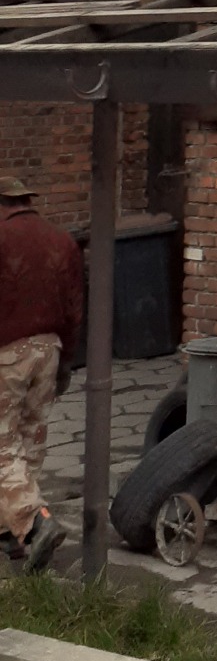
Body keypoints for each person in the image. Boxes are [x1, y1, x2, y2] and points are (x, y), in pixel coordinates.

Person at [0, 177, 84, 572]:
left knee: (2, 446)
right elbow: (74, 307)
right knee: (30, 441)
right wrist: (66, 360)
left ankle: (35, 522)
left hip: (7, 352)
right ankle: (11, 535)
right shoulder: (61, 239)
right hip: (49, 348)